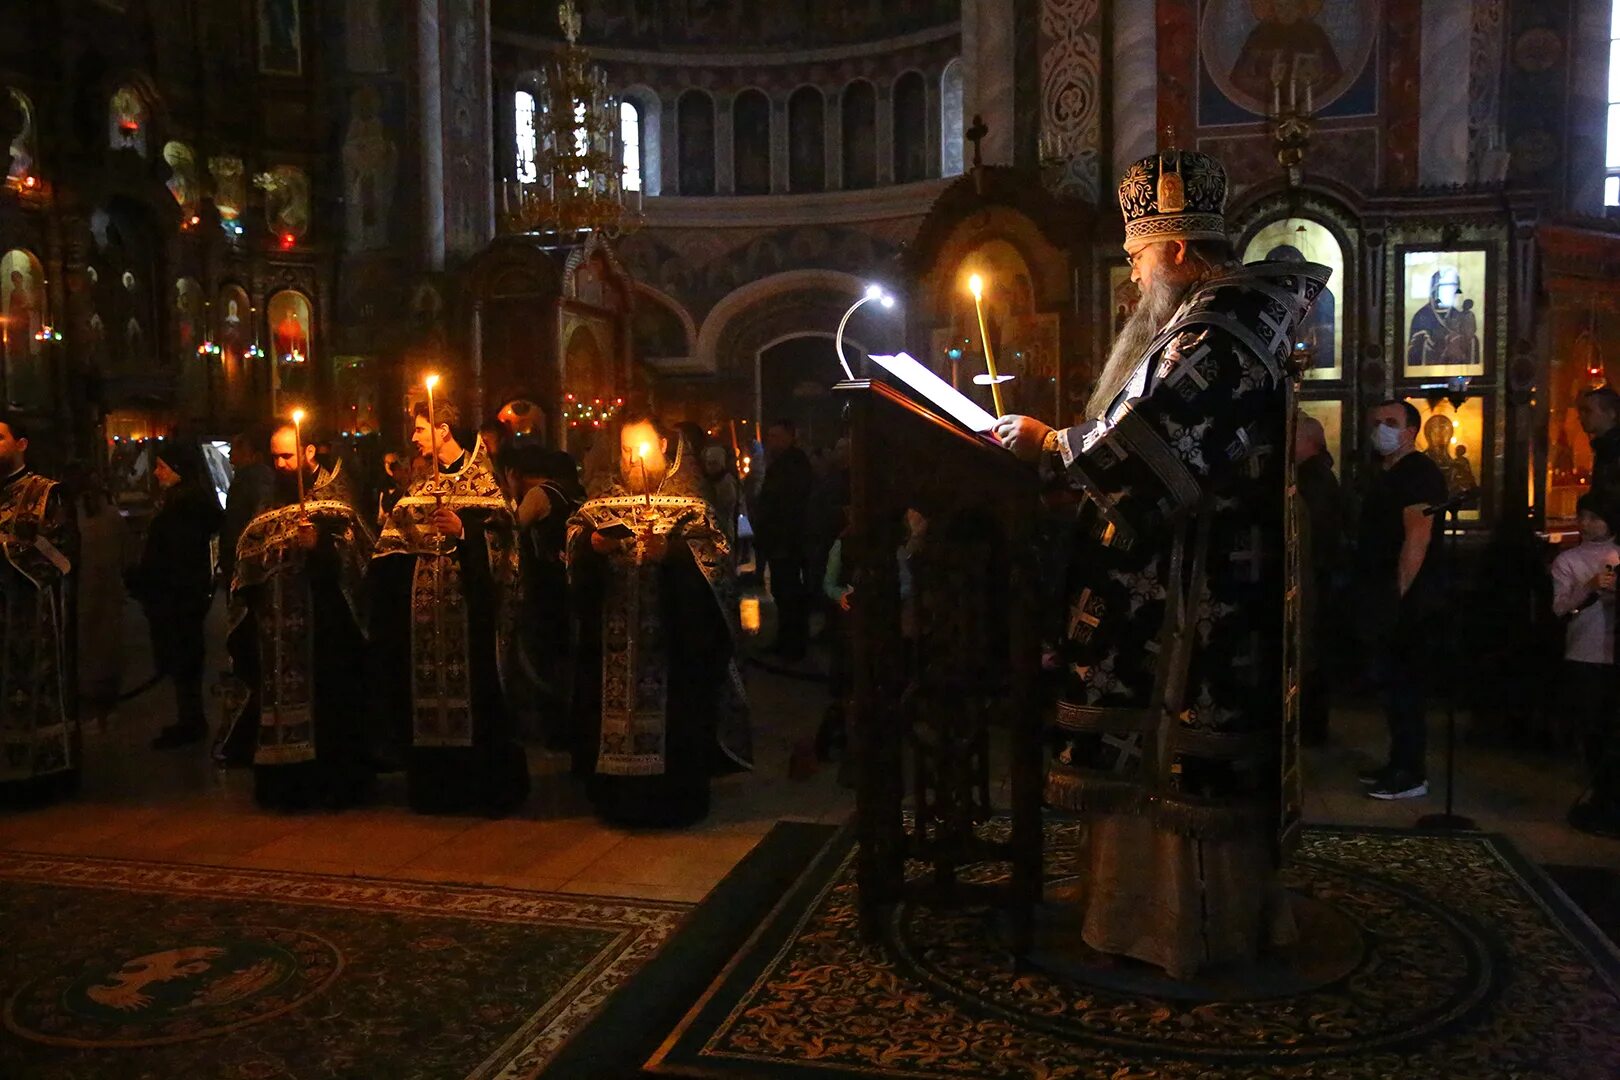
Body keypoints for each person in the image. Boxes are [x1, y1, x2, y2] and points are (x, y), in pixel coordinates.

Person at [994, 146, 1331, 979]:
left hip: (1194, 591)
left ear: (1177, 250)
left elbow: (1144, 454)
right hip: (1197, 576)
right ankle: (1142, 908)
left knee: (1173, 756)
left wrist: (1049, 443)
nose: (1136, 273)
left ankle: (1177, 927)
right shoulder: (1222, 323)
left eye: (1141, 255)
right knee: (1157, 758)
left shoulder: (1216, 333)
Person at [567, 412, 752, 826]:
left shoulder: (692, 504)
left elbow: (718, 569)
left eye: (642, 448)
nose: (633, 460)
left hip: (672, 646)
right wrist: (591, 546)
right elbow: (574, 546)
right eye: (627, 450)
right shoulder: (601, 501)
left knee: (677, 724)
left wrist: (672, 556)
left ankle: (674, 802)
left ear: (664, 447)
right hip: (614, 645)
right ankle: (616, 801)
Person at [370, 401, 528, 814]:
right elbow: (392, 546)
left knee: (475, 695)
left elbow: (506, 544)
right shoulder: (420, 485)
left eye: (421, 429)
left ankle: (478, 788)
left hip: (469, 613)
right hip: (424, 617)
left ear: (442, 429)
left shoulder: (483, 481)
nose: (415, 437)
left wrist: (466, 531)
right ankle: (433, 787)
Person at [218, 423, 374, 807]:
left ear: (308, 454)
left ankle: (331, 785)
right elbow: (250, 545)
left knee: (329, 706)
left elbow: (357, 560)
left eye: (288, 456)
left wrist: (319, 545)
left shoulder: (337, 499)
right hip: (274, 627)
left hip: (323, 628)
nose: (281, 464)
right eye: (275, 457)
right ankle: (282, 783)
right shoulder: (270, 497)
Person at [1353, 400, 1448, 800]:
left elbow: (1417, 538)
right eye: (1376, 423)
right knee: (1390, 687)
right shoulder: (1386, 472)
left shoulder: (1419, 474)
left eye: (1390, 423)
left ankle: (1411, 773)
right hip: (1381, 592)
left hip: (1408, 599)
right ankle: (1397, 762)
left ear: (1411, 430)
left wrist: (1399, 596)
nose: (1381, 430)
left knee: (1406, 687)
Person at [0, 412, 78, 806]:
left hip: (29, 614)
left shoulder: (46, 493)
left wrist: (7, 548)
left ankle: (37, 777)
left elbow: (60, 553)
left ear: (21, 443)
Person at [128, 439, 222, 750]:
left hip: (178, 599)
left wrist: (145, 580)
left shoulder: (183, 509)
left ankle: (191, 721)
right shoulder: (182, 505)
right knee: (183, 663)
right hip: (181, 598)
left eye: (161, 467)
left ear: (178, 471)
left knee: (184, 661)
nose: (156, 473)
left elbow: (173, 559)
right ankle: (189, 718)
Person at [501, 441, 580, 749]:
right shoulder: (574, 494)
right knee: (562, 656)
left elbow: (512, 527)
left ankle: (552, 729)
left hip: (544, 587)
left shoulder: (539, 495)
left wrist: (509, 493)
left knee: (543, 657)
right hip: (566, 583)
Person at [1556, 494, 1620, 836]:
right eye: (1583, 516)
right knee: (1593, 729)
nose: (1586, 523)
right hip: (1585, 652)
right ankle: (1601, 797)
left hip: (1614, 652)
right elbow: (1560, 608)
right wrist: (1590, 589)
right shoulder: (1568, 561)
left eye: (1595, 517)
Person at [64, 462, 126, 731]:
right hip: (108, 590)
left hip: (81, 591)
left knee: (85, 647)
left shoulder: (69, 516)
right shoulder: (111, 514)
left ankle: (88, 709)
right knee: (105, 647)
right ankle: (106, 708)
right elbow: (126, 552)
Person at [1295, 415, 1342, 746]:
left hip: (1315, 579)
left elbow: (1313, 536)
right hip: (1318, 578)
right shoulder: (1314, 476)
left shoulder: (1314, 480)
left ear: (1308, 441)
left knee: (1310, 658)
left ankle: (1310, 729)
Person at [753, 419, 814, 660]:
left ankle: (794, 644)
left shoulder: (794, 464)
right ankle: (786, 639)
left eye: (776, 436)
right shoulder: (780, 463)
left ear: (790, 437)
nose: (771, 441)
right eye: (769, 436)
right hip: (779, 538)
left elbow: (789, 504)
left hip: (788, 539)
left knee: (789, 592)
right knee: (781, 590)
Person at [220, 427, 274, 585]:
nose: (230, 454)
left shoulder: (250, 481)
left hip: (247, 557)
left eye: (235, 448)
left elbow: (240, 521)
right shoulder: (249, 479)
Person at [1579, 386, 1620, 504]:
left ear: (1610, 414)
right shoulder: (1603, 448)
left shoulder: (1611, 450)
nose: (1581, 417)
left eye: (1588, 411)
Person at [375, 449, 406, 529]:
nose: (389, 466)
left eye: (392, 462)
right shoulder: (384, 491)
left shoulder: (405, 491)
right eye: (387, 463)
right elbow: (380, 519)